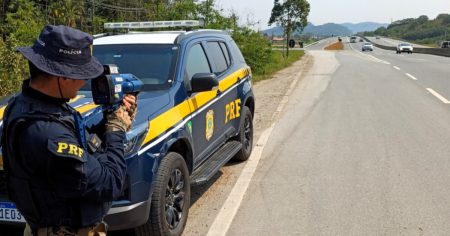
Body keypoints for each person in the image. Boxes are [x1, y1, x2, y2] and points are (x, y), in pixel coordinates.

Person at [0, 25, 137, 236]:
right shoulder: (47, 133)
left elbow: (81, 144)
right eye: (81, 74)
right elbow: (110, 182)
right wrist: (116, 131)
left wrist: (110, 122)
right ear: (62, 76)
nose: (83, 82)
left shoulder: (28, 105)